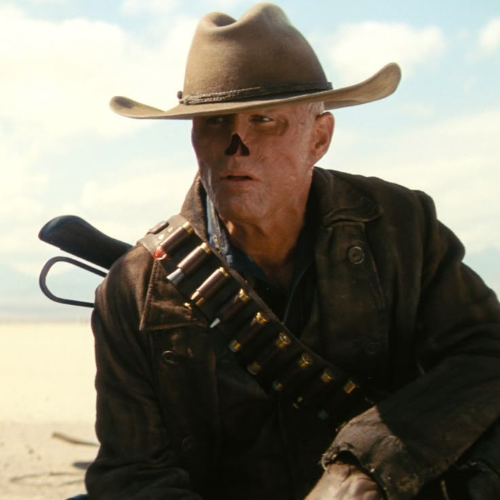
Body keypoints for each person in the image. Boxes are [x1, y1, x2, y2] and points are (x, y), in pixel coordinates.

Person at [84, 3, 500, 499]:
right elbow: (133, 476)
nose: (236, 144)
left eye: (264, 120)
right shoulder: (135, 289)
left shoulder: (400, 228)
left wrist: (362, 467)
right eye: (214, 121)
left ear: (319, 138)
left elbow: (486, 357)